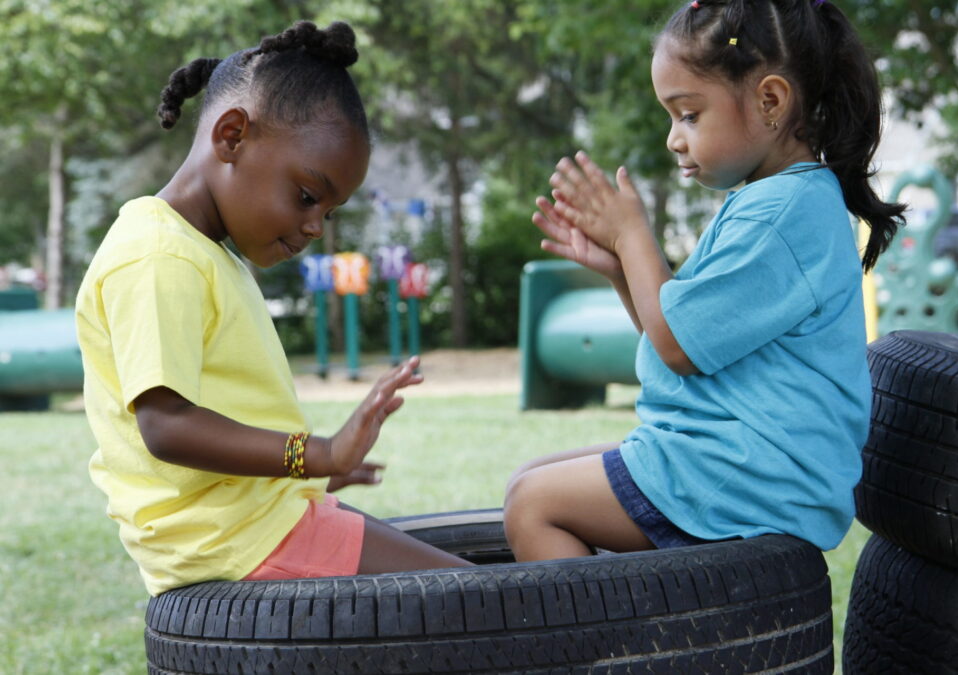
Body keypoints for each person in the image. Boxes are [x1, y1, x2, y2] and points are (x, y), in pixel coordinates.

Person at [76, 21, 469, 597]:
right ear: (231, 136)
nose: (314, 225)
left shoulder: (207, 256)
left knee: (476, 592)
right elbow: (165, 425)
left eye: (328, 212)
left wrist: (317, 471)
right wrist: (316, 454)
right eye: (309, 196)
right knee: (483, 603)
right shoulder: (159, 256)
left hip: (258, 524)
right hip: (236, 538)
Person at [504, 0, 906, 561]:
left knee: (533, 503)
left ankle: (605, 649)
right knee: (533, 476)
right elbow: (686, 335)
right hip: (732, 457)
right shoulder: (773, 201)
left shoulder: (783, 212)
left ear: (770, 100)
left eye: (688, 114)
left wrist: (632, 236)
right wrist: (621, 269)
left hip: (752, 474)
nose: (674, 138)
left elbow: (675, 344)